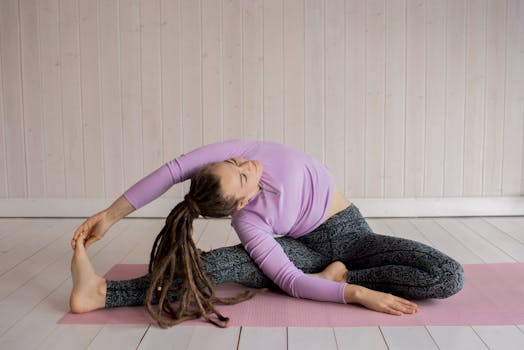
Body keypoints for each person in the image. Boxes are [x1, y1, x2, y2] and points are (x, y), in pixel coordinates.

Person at [69, 139, 464, 328]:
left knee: (447, 276)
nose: (248, 161)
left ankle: (341, 273)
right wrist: (357, 294)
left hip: (353, 236)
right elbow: (291, 280)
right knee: (221, 263)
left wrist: (110, 214)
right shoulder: (249, 223)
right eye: (243, 174)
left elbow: (171, 171)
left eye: (234, 160)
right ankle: (104, 294)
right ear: (240, 203)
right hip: (300, 253)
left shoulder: (243, 150)